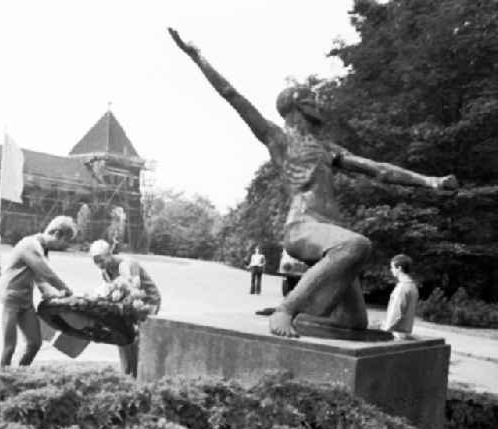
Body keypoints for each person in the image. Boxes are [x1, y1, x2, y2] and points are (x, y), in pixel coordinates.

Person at [169, 28, 456, 338]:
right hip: (303, 226)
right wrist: (199, 58)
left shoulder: (327, 149)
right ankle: (287, 310)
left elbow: (378, 170)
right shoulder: (276, 138)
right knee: (357, 244)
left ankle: (305, 315)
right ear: (295, 105)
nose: (318, 103)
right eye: (311, 99)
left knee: (354, 322)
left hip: (328, 233)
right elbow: (232, 95)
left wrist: (430, 181)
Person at [0, 216, 76, 369]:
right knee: (8, 347)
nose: (65, 246)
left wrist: (51, 293)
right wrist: (66, 290)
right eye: (66, 241)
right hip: (9, 299)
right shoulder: (30, 245)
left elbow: (41, 280)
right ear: (57, 234)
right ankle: (0, 382)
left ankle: (20, 375)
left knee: (34, 343)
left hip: (25, 302)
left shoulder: (42, 249)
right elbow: (46, 273)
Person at [90, 239, 161, 377]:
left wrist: (118, 289)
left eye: (101, 260)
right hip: (128, 303)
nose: (99, 264)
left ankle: (137, 374)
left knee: (137, 338)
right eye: (95, 261)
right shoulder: (105, 271)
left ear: (110, 254)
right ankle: (127, 372)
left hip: (147, 301)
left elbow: (135, 287)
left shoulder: (127, 264)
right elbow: (112, 291)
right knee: (122, 334)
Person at [380, 254, 420, 339]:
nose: (391, 270)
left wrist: (386, 327)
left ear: (399, 268)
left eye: (392, 267)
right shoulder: (413, 286)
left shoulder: (402, 288)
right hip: (405, 333)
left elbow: (396, 312)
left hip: (396, 334)